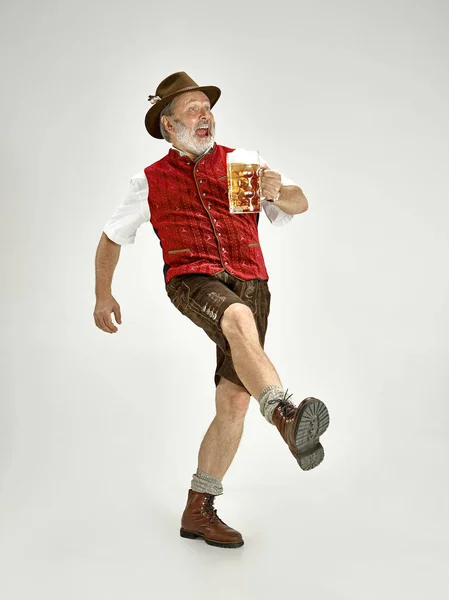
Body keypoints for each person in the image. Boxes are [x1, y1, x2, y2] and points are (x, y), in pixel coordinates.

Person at [94, 72, 330, 549]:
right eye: (194, 109)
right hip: (192, 279)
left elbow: (299, 203)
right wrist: (104, 294)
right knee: (237, 319)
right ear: (169, 125)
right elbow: (111, 237)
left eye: (208, 107)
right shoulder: (149, 181)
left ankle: (198, 509)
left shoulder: (244, 162)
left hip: (252, 280)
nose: (207, 116)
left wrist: (275, 191)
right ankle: (285, 414)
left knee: (234, 402)